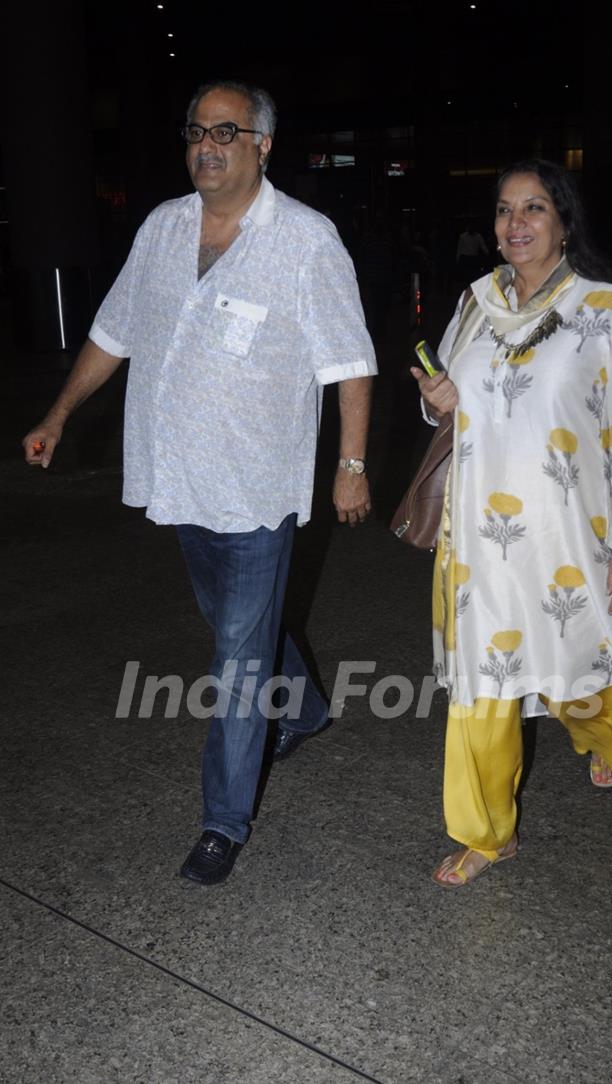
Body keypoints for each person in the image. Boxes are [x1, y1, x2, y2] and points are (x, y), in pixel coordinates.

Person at [23, 80, 377, 886]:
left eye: (226, 131)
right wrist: (60, 414)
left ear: (263, 145)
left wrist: (350, 467)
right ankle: (311, 710)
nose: (206, 146)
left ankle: (223, 820)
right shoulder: (162, 228)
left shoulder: (305, 240)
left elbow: (350, 362)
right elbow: (113, 333)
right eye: (195, 131)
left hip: (257, 487)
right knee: (235, 626)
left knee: (237, 661)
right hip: (181, 477)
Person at [411, 159, 612, 888]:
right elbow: (452, 410)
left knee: (580, 665)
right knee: (483, 684)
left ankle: (609, 737)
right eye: (502, 210)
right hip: (478, 543)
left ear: (563, 224)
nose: (514, 225)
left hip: (569, 536)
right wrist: (436, 401)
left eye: (533, 210)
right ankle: (487, 831)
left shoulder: (607, 310)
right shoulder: (471, 303)